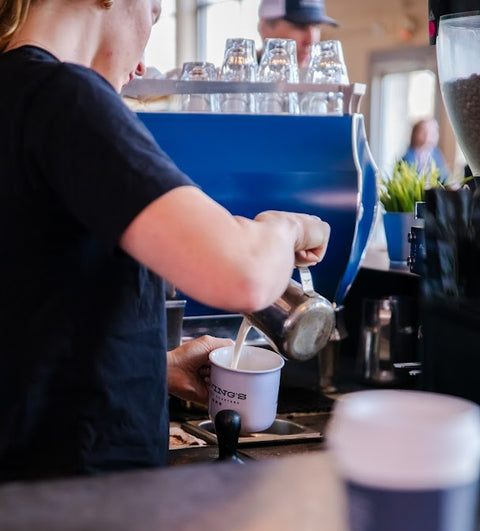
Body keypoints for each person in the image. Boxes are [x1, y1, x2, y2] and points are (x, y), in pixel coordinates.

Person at [0, 0, 330, 481]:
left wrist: (157, 366)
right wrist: (288, 227)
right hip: (79, 495)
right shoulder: (64, 96)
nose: (140, 67)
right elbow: (243, 274)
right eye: (152, 14)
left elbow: (30, 323)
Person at [257, 0, 338, 68]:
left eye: (317, 26)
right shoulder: (249, 75)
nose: (310, 41)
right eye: (300, 26)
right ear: (264, 28)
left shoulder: (322, 76)